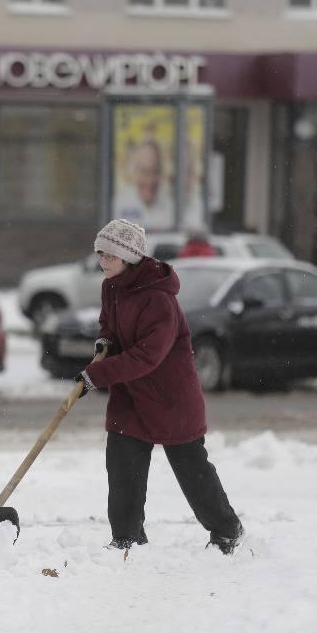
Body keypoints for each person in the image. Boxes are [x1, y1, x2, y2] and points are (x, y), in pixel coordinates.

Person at [74, 219, 243, 554]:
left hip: (169, 395)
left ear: (129, 257)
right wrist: (104, 342)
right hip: (130, 394)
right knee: (122, 465)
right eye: (99, 254)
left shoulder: (158, 300)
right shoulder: (112, 286)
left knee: (191, 468)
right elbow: (109, 322)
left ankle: (226, 529)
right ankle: (126, 536)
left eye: (109, 255)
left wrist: (98, 375)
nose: (102, 261)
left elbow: (146, 357)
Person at [113, 140, 174, 230]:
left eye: (155, 171)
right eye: (144, 171)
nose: (149, 180)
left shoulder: (172, 206)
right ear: (134, 173)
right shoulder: (118, 206)